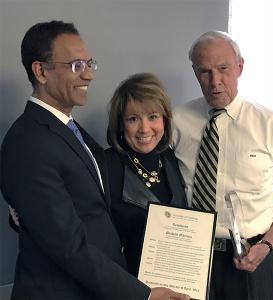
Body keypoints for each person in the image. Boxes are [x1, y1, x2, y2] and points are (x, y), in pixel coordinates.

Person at [0, 20, 190, 300]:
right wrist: (143, 295)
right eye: (76, 66)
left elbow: (86, 209)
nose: (88, 75)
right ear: (41, 71)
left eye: (90, 64)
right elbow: (68, 246)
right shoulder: (28, 141)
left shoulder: (70, 132)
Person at [172, 30, 273, 300]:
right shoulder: (176, 121)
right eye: (204, 71)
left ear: (240, 67)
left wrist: (266, 246)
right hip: (192, 256)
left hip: (256, 256)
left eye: (223, 69)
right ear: (194, 72)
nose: (214, 81)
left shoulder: (271, 124)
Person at [106, 72, 188, 276]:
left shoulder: (171, 158)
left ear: (164, 120)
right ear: (120, 124)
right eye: (133, 119)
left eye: (153, 117)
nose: (144, 129)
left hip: (179, 282)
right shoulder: (106, 165)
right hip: (129, 286)